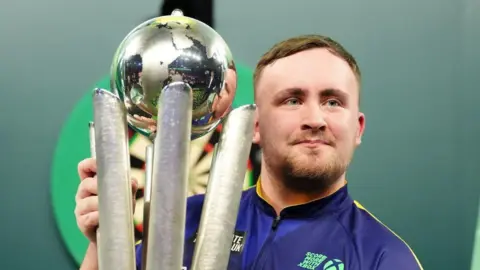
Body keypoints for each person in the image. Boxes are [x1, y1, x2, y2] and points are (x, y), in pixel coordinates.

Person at [75, 34, 424, 270]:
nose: (315, 119)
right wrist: (101, 240)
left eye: (333, 102)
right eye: (292, 100)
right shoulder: (184, 222)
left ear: (358, 127)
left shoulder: (383, 257)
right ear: (255, 126)